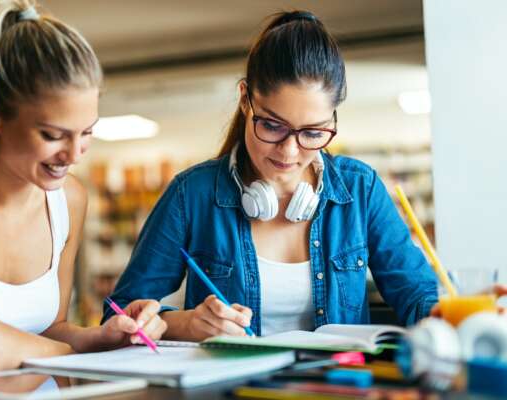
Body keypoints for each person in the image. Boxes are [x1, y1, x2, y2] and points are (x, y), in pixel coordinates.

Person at [103, 10, 439, 341]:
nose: (290, 152)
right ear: (245, 100)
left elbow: (418, 295)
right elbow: (120, 314)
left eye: (312, 132)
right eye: (272, 126)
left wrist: (459, 315)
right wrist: (186, 325)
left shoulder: (360, 189)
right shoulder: (192, 195)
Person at [0, 0, 166, 382]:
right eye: (53, 135)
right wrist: (83, 350)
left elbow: (49, 329)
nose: (73, 154)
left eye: (87, 132)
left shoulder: (70, 199)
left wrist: (106, 337)